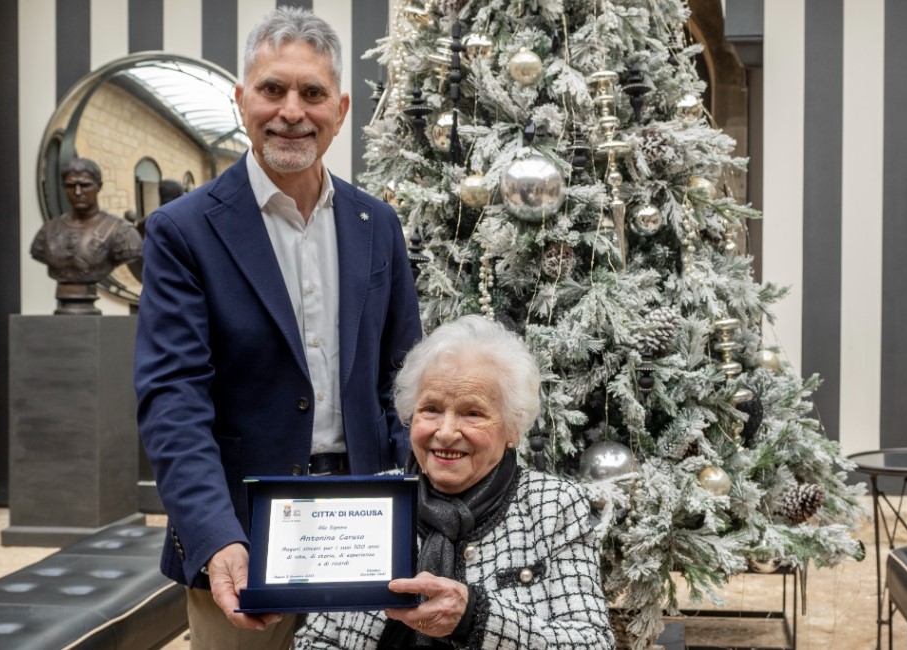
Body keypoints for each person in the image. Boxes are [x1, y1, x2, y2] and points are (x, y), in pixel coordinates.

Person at [133, 8, 422, 650]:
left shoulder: (379, 225)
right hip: (240, 538)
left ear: (340, 109)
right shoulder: (184, 232)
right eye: (272, 90)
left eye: (312, 93)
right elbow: (173, 401)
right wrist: (214, 536)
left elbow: (404, 384)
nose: (292, 110)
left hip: (365, 530)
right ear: (242, 100)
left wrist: (414, 509)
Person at [295, 315, 615, 649]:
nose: (445, 432)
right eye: (431, 409)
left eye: (472, 413)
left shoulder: (554, 506)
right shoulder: (371, 500)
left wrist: (475, 617)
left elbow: (591, 642)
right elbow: (316, 640)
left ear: (513, 428)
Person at [30, 157, 142, 314]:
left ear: (99, 186)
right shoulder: (48, 231)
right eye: (70, 186)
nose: (77, 192)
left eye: (85, 185)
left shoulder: (121, 232)